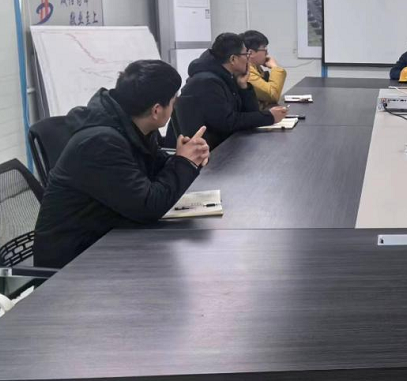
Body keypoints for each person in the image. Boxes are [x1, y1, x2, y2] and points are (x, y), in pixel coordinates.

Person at [34, 60, 210, 268]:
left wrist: (186, 156)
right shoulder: (101, 142)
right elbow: (148, 207)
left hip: (106, 239)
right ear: (156, 110)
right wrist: (184, 162)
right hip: (73, 262)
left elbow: (154, 169)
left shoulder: (132, 126)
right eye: (173, 101)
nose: (175, 106)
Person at [176, 32, 287, 149]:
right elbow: (228, 122)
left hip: (224, 143)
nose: (248, 60)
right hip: (210, 151)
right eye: (246, 55)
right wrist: (269, 117)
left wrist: (243, 87)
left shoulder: (227, 76)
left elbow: (250, 113)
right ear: (233, 59)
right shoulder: (207, 82)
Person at [242, 30, 287, 110]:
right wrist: (275, 67)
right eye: (264, 50)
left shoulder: (256, 68)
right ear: (251, 53)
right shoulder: (246, 73)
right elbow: (273, 95)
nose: (267, 54)